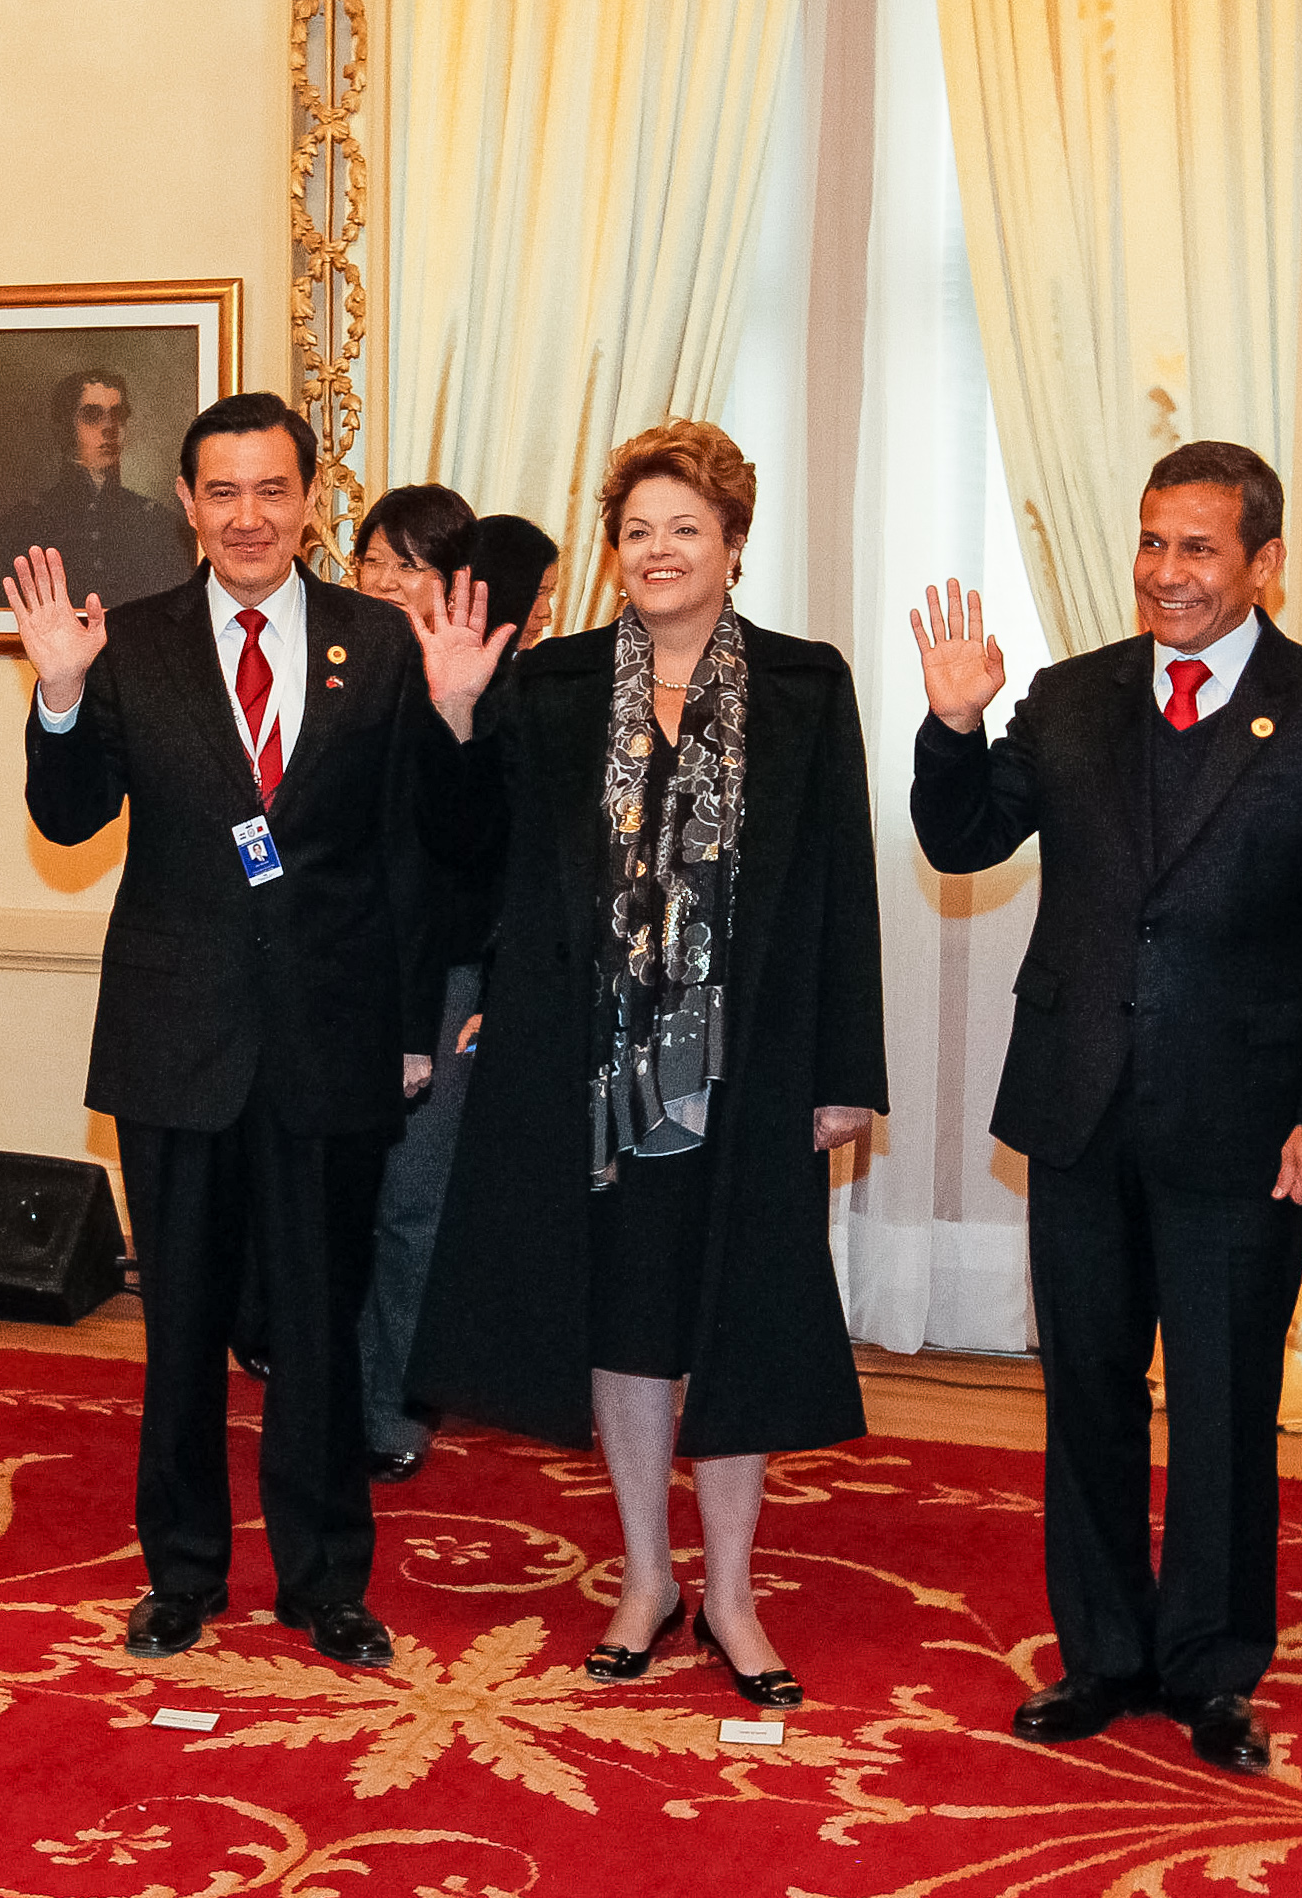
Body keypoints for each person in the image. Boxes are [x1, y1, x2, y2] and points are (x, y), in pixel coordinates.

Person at [906, 441, 1302, 1773]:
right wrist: (953, 725)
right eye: (1150, 542)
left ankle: (1209, 1665)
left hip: (1244, 1127)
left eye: (1195, 548)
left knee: (1223, 1407)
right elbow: (962, 840)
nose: (1165, 573)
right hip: (1079, 1109)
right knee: (1082, 1395)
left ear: (1259, 561)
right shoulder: (1070, 697)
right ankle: (1101, 1654)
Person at [403, 420, 884, 1710]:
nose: (658, 550)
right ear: (612, 552)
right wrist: (451, 711)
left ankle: (730, 1592)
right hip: (588, 1076)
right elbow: (466, 855)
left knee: (728, 1322)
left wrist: (847, 1070)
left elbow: (842, 885)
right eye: (635, 531)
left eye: (685, 527)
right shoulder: (551, 687)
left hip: (752, 1068)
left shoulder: (805, 685)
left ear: (732, 543)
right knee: (620, 1326)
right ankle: (642, 1577)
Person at [8, 391, 451, 1670]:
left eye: (272, 490)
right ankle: (183, 1573)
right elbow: (71, 817)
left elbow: (419, 856)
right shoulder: (130, 641)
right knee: (183, 1325)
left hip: (333, 1037)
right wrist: (56, 694)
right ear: (190, 504)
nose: (248, 516)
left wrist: (414, 1024)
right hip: (176, 1034)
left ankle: (325, 1581)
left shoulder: (380, 641)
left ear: (311, 499)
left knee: (321, 1324)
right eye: (222, 492)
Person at [344, 488, 530, 1483]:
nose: (380, 579)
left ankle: (393, 1400)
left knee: (412, 1200)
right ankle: (330, 1389)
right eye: (371, 557)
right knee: (333, 1197)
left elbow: (485, 855)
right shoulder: (330, 667)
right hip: (337, 967)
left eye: (407, 562)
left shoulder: (493, 692)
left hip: (447, 977)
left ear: (455, 581)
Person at [0, 367, 194, 608]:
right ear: (65, 427)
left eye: (117, 415)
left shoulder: (156, 521)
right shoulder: (23, 521)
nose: (110, 427)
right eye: (92, 415)